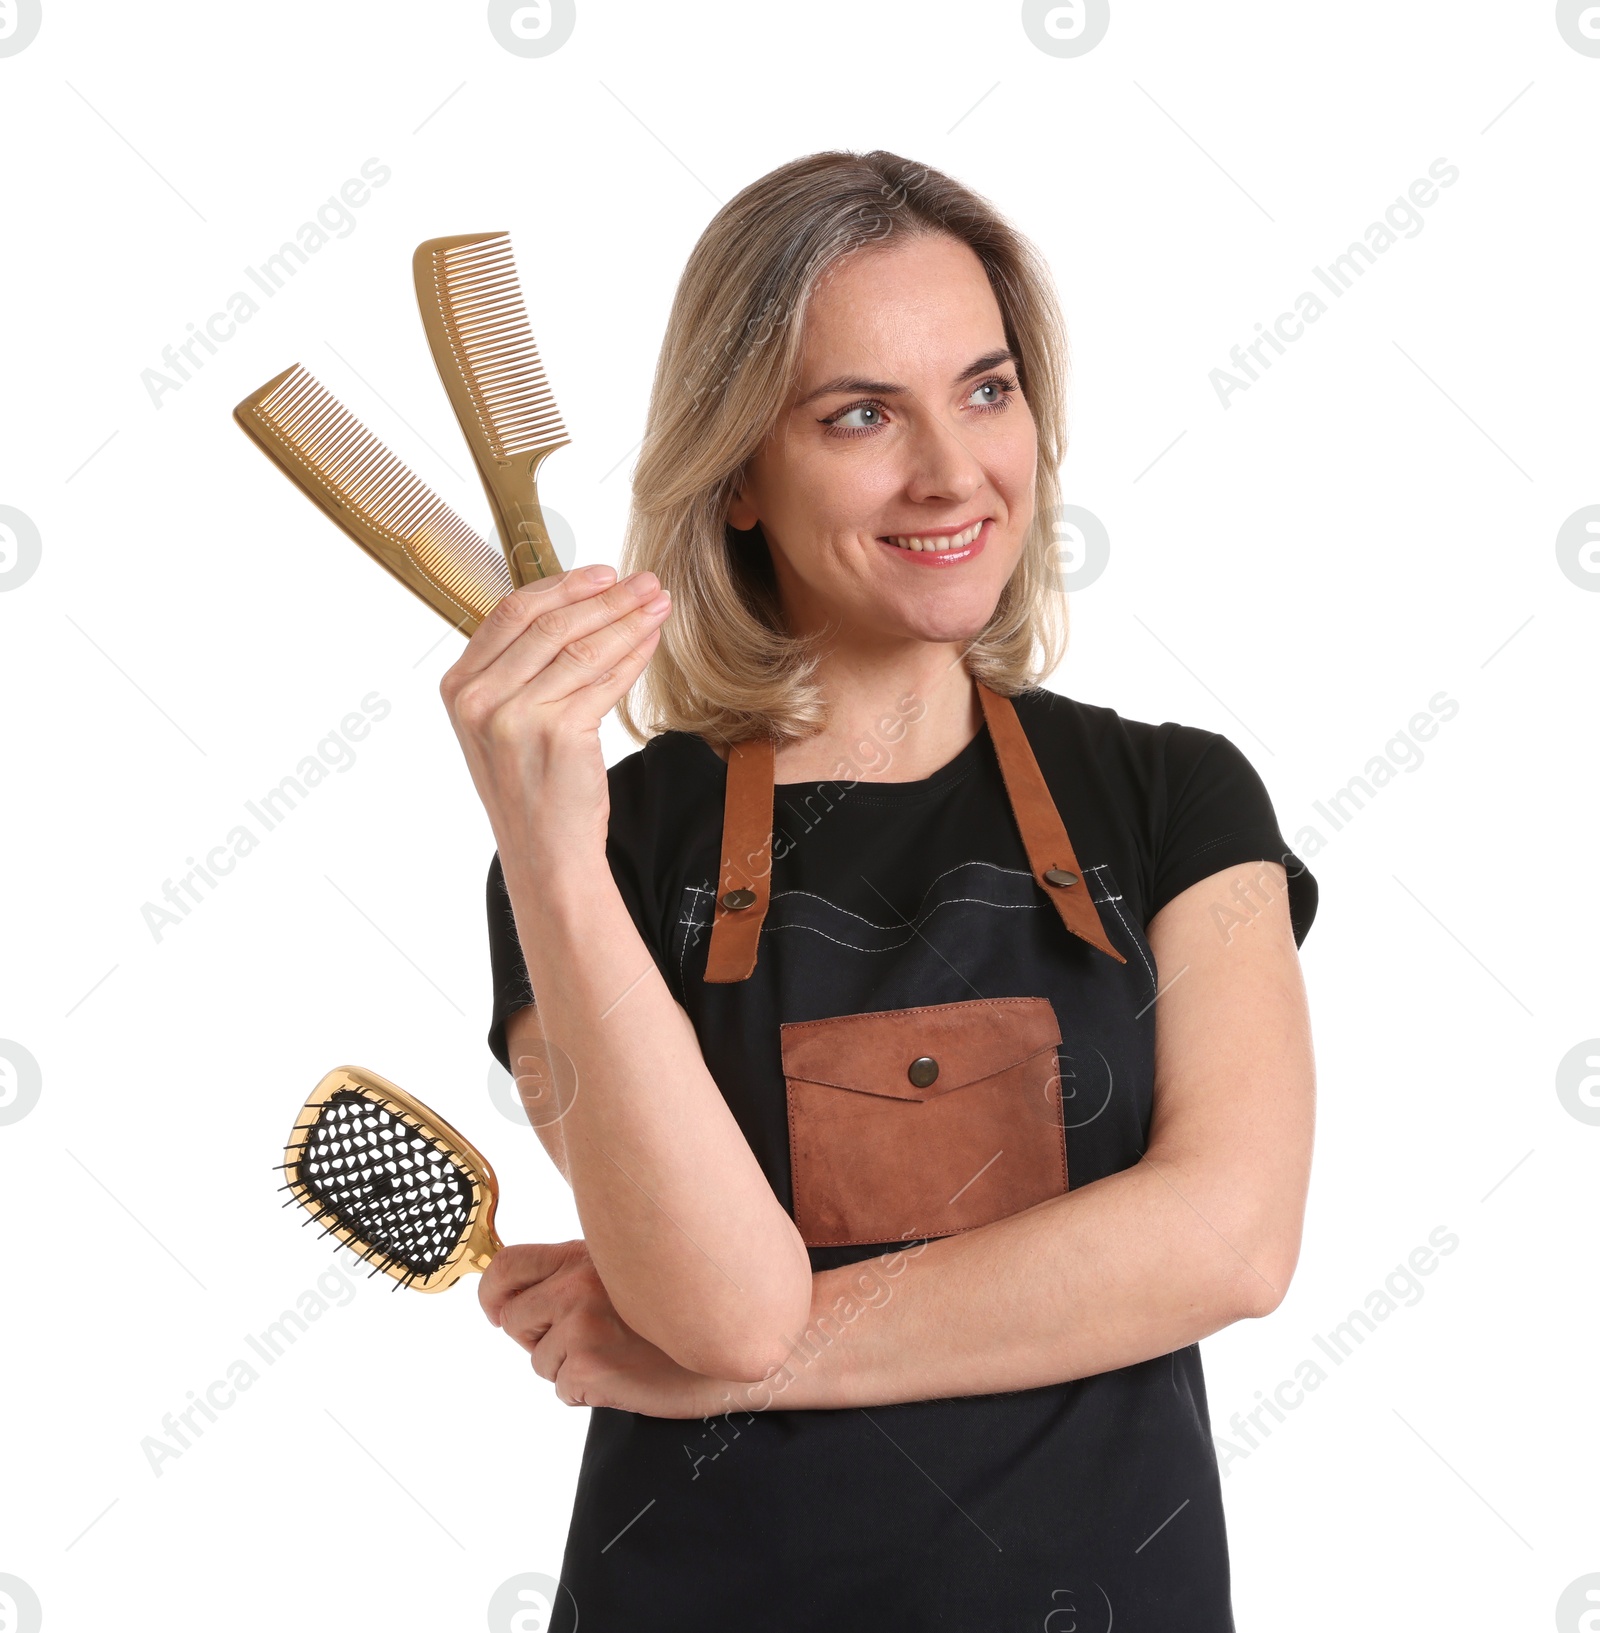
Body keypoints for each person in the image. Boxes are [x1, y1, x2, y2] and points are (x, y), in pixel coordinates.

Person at [441, 149, 1318, 1631]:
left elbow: (1227, 1236)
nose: (953, 471)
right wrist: (547, 844)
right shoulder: (613, 847)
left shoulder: (1173, 800)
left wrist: (734, 1360)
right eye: (861, 414)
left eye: (986, 390)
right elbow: (726, 1301)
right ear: (734, 479)